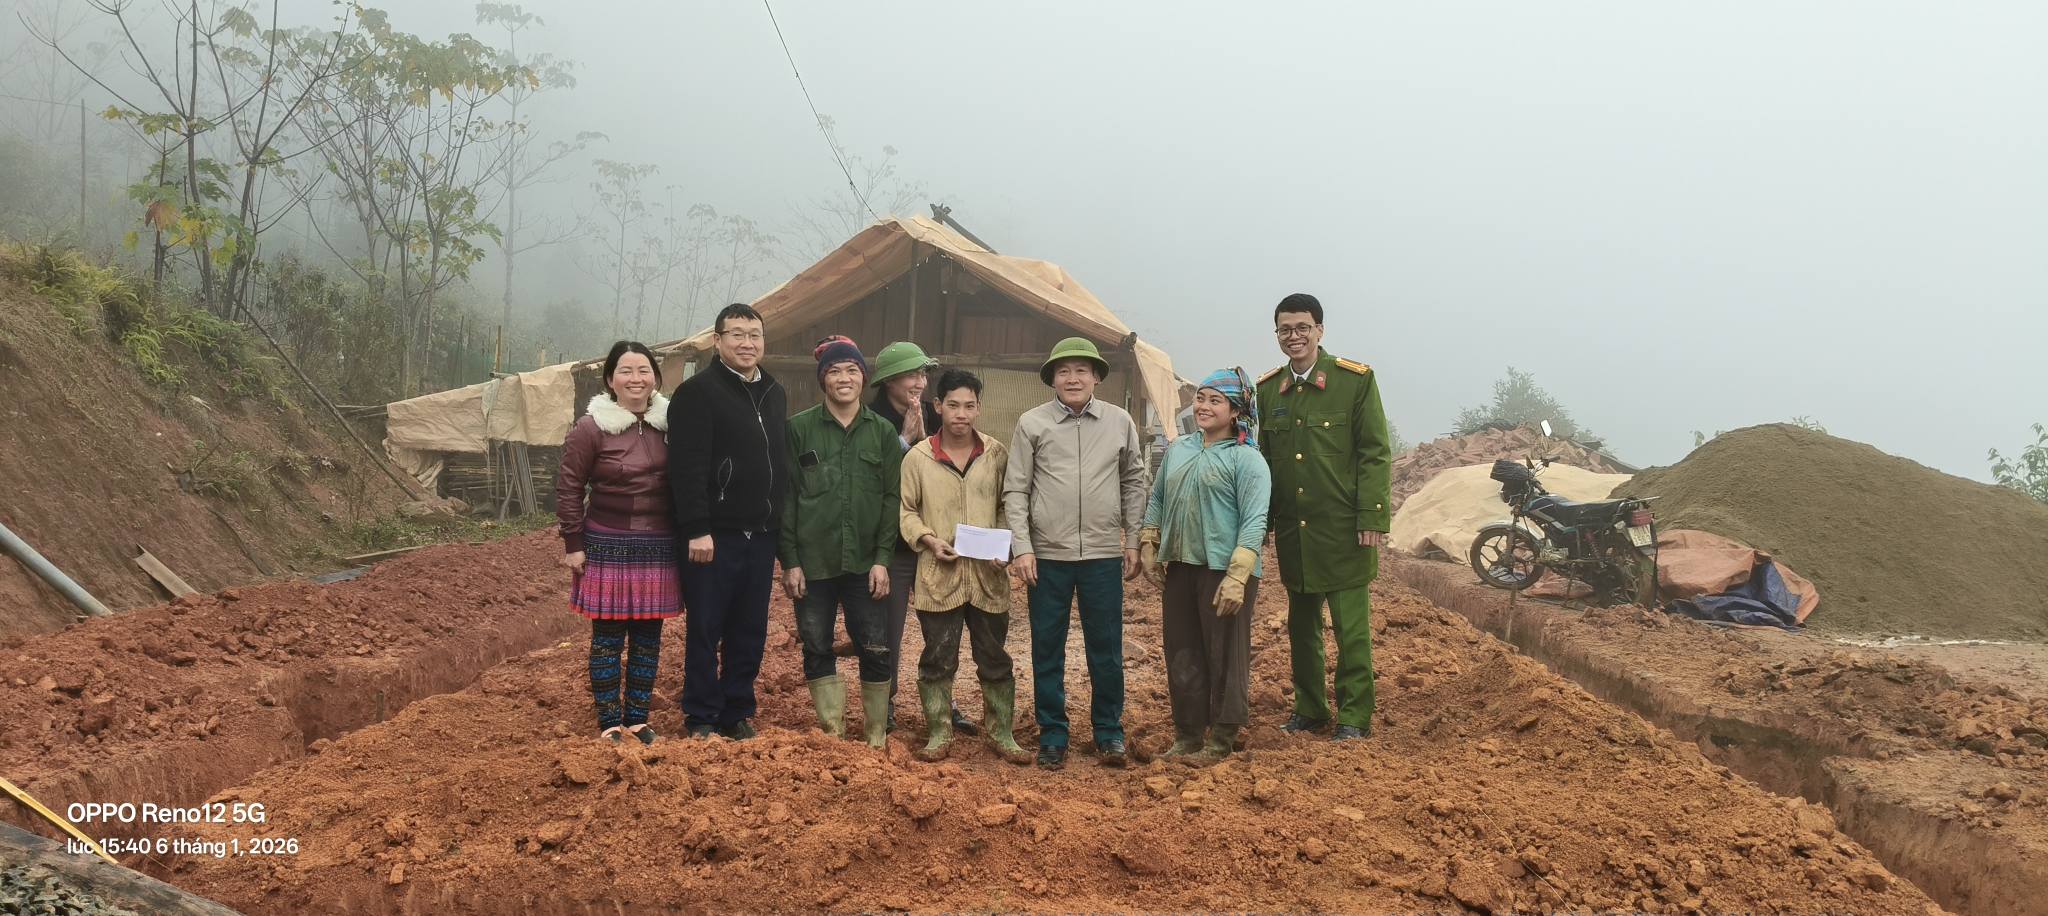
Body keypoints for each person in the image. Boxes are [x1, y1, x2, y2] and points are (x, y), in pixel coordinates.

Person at [1004, 337, 1148, 770]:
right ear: (1052, 378)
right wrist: (1023, 547)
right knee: (1047, 647)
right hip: (1047, 557)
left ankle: (1109, 732)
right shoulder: (1032, 423)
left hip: (1103, 555)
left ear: (1097, 377)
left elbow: (1134, 483)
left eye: (1081, 370)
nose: (1072, 378)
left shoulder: (1119, 422)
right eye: (1063, 371)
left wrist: (1132, 540)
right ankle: (1053, 733)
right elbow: (1016, 488)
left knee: (1105, 648)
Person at [1254, 293, 1393, 742]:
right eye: (1285, 330)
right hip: (1296, 531)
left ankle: (1354, 716)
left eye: (1302, 328)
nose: (1294, 337)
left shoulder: (1354, 381)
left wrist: (1371, 516)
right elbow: (1267, 460)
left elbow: (1375, 452)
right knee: (1302, 629)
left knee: (1351, 632)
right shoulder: (1268, 389)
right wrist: (1264, 523)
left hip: (1343, 531)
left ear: (1320, 330)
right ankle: (1309, 708)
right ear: (1277, 334)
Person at [898, 369, 1033, 764]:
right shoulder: (919, 457)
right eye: (952, 405)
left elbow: (1011, 506)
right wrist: (927, 539)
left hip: (988, 575)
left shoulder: (996, 454)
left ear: (979, 408)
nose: (961, 414)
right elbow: (905, 510)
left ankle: (1001, 731)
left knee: (994, 656)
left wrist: (1006, 545)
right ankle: (939, 731)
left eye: (969, 406)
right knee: (938, 656)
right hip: (938, 576)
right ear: (937, 406)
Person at [667, 303, 788, 740]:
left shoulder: (774, 392)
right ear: (717, 341)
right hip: (714, 535)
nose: (746, 343)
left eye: (754, 334)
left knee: (749, 627)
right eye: (735, 334)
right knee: (706, 625)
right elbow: (687, 466)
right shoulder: (698, 392)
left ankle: (736, 709)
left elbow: (780, 463)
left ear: (763, 341)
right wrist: (697, 527)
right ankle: (700, 715)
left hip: (762, 533)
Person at [1139, 368, 1270, 761]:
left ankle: (1221, 739)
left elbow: (1254, 520)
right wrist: (1150, 539)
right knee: (1182, 651)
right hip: (1181, 564)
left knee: (1225, 654)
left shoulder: (1248, 461)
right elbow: (1158, 496)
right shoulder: (1180, 449)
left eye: (1216, 401)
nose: (1204, 406)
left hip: (1225, 571)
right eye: (1201, 398)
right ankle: (1187, 735)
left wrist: (1237, 577)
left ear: (1235, 411)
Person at [780, 336, 902, 748]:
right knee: (815, 643)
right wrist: (791, 561)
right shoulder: (798, 429)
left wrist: (884, 558)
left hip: (867, 562)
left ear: (863, 379)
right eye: (834, 371)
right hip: (812, 563)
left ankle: (875, 736)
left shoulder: (882, 432)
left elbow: (891, 499)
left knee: (875, 645)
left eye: (851, 370)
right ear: (822, 380)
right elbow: (787, 498)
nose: (844, 378)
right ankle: (832, 734)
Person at [556, 341, 678, 745]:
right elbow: (569, 487)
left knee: (648, 636)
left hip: (659, 543)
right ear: (611, 379)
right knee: (608, 637)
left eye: (643, 370)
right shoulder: (591, 428)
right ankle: (610, 722)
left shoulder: (670, 423)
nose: (636, 379)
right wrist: (574, 542)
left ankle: (638, 720)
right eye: (626, 371)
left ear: (655, 378)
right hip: (607, 541)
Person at [866, 341, 975, 737]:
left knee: (941, 628)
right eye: (912, 374)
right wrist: (905, 439)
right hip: (891, 545)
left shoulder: (935, 414)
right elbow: (874, 481)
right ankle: (885, 704)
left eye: (923, 375)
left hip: (935, 541)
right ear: (888, 380)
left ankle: (944, 702)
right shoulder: (869, 420)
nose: (919, 382)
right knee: (887, 631)